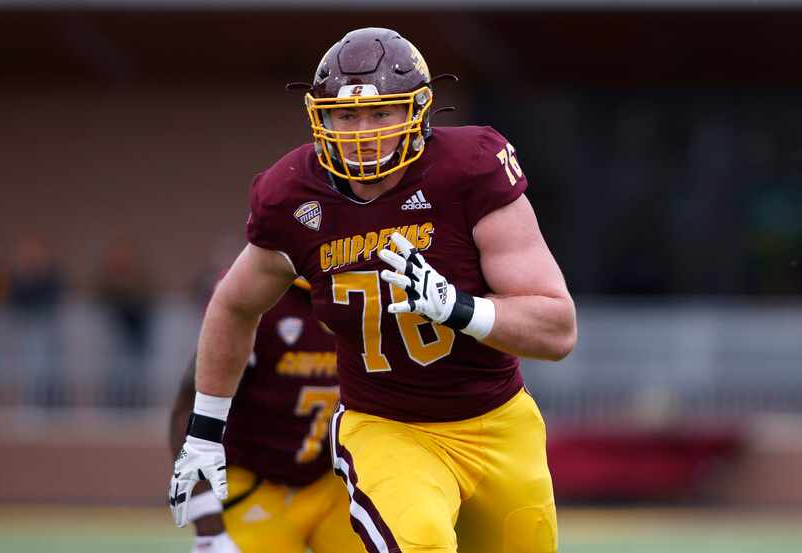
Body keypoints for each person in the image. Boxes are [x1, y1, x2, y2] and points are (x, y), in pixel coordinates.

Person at [170, 27, 577, 553]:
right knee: (418, 544)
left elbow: (557, 328)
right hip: (387, 427)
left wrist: (461, 309)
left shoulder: (469, 169)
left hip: (498, 422)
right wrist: (205, 431)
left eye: (381, 112)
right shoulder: (293, 193)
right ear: (322, 117)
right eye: (346, 115)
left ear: (418, 112)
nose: (362, 131)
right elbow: (233, 303)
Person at [170, 278, 365, 553]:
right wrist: (207, 524)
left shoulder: (373, 287)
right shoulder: (256, 291)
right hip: (256, 480)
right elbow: (187, 407)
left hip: (331, 480)